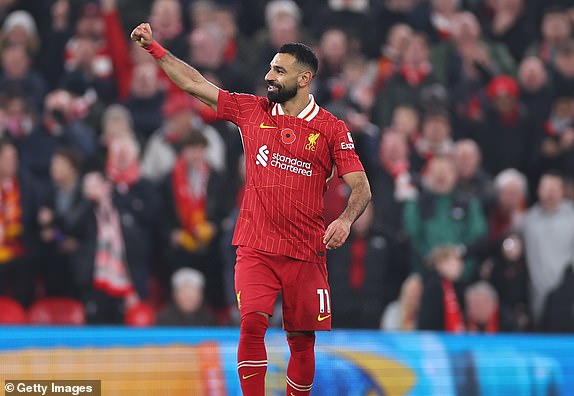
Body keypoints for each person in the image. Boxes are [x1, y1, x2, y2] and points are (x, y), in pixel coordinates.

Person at [131, 22, 371, 396]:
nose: (268, 76)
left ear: (304, 78)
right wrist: (154, 49)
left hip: (306, 252)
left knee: (302, 340)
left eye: (279, 70)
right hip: (256, 246)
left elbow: (361, 187)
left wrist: (344, 219)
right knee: (252, 324)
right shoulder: (252, 111)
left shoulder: (331, 128)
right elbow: (194, 83)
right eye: (270, 68)